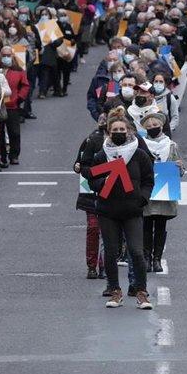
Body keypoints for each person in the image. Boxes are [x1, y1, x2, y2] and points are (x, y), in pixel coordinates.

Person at [85, 113, 154, 310]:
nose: (118, 133)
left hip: (132, 210)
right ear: (108, 132)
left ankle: (141, 291)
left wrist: (142, 198)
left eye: (122, 130)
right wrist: (102, 183)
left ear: (129, 131)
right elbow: (91, 179)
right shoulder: (101, 155)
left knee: (136, 252)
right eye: (114, 130)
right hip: (108, 210)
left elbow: (149, 179)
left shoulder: (139, 154)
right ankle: (114, 290)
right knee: (111, 252)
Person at [141, 112, 183, 272]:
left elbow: (180, 172)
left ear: (161, 126)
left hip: (164, 193)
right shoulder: (141, 145)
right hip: (147, 192)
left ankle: (156, 258)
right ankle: (146, 258)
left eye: (155, 125)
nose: (152, 128)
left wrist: (179, 166)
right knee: (145, 225)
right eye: (149, 126)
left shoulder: (171, 145)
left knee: (160, 225)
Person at [74, 115, 107, 279]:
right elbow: (79, 163)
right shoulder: (91, 140)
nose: (104, 121)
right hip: (92, 193)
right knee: (94, 228)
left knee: (110, 231)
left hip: (114, 193)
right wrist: (78, 166)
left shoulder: (129, 141)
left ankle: (105, 265)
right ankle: (92, 265)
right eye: (102, 118)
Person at [0, 45, 30, 166]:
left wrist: (19, 98)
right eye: (4, 55)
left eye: (8, 55)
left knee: (14, 132)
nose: (6, 58)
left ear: (12, 56)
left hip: (13, 106)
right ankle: (2, 157)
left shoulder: (19, 70)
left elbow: (25, 86)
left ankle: (14, 155)